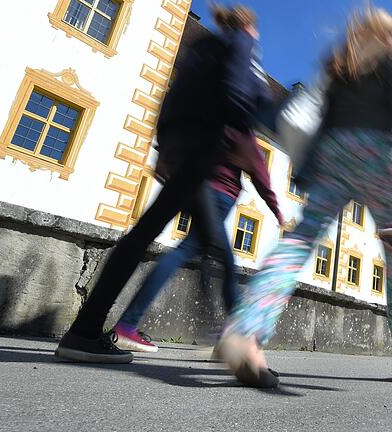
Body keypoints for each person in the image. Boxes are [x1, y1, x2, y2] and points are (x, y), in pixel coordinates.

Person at [216, 7, 392, 387]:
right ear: (388, 35)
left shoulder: (339, 63)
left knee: (301, 239)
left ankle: (246, 329)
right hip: (383, 160)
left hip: (334, 157)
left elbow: (314, 114)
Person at [55, 5, 270, 363]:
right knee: (218, 251)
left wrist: (163, 148)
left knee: (148, 236)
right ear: (249, 26)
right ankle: (242, 346)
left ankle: (86, 329)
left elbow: (169, 98)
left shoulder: (199, 49)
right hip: (205, 152)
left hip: (181, 147)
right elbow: (235, 93)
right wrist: (243, 135)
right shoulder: (240, 42)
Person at [112, 127, 284, 353]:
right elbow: (259, 172)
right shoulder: (240, 124)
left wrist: (164, 152)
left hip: (195, 185)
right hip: (219, 196)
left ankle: (129, 324)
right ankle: (235, 336)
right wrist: (276, 211)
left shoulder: (214, 114)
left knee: (191, 252)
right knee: (218, 261)